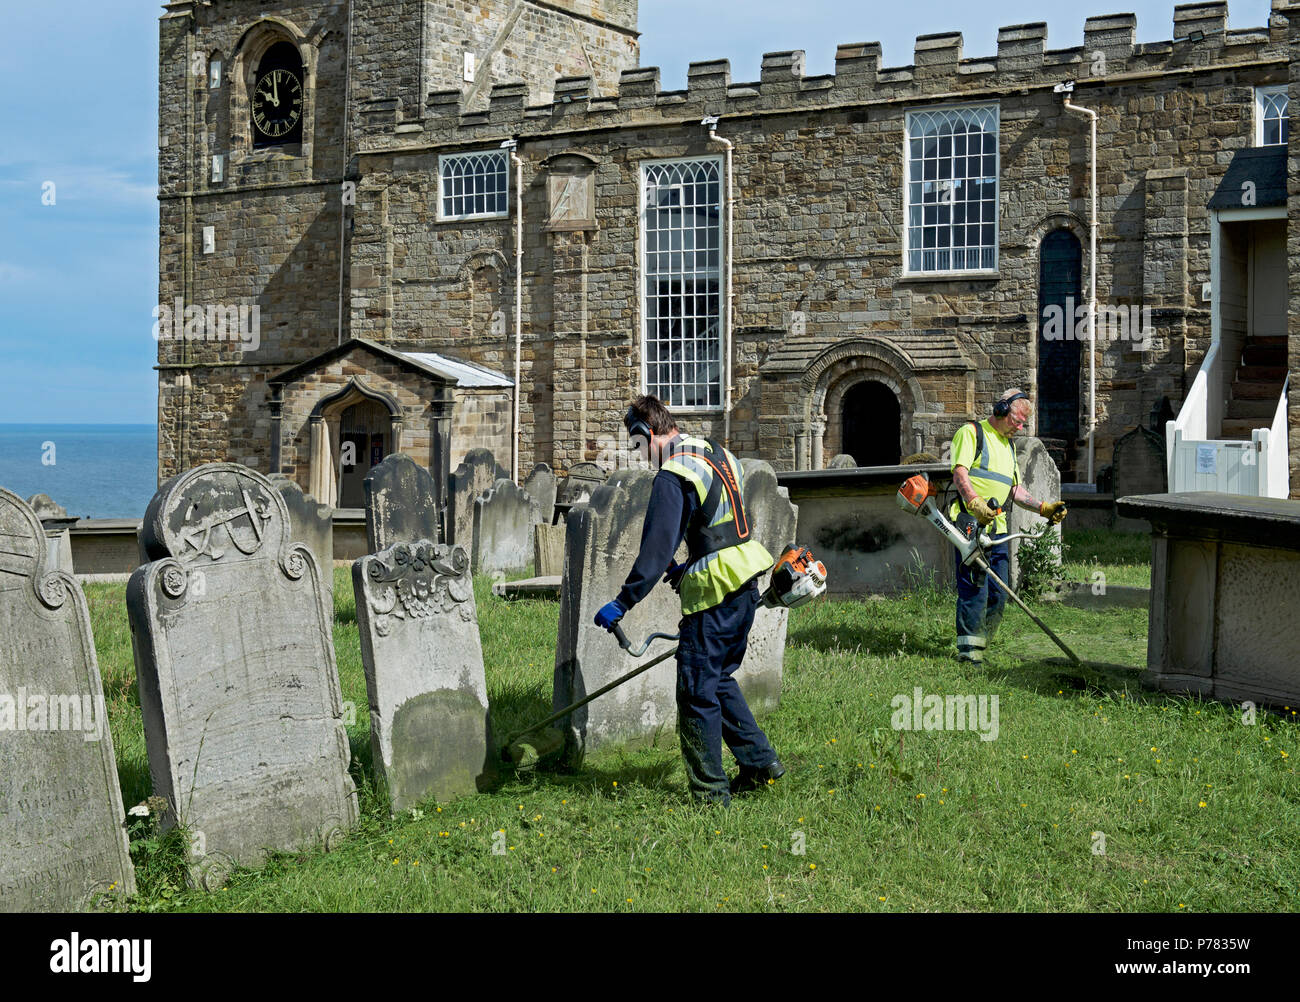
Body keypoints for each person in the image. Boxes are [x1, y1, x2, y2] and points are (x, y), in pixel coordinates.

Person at [593, 395, 783, 806]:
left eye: (636, 444)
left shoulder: (672, 473)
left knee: (696, 690)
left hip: (713, 594)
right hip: (745, 580)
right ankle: (760, 763)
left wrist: (623, 602)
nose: (638, 455)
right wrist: (690, 564)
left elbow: (656, 549)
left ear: (646, 434)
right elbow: (721, 520)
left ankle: (710, 796)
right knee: (718, 679)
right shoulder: (715, 451)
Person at [948, 389, 1068, 664]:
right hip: (970, 524)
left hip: (998, 529)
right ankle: (969, 654)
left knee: (999, 593)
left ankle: (982, 644)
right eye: (1018, 420)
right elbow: (959, 473)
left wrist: (1043, 507)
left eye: (1024, 422)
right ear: (1001, 410)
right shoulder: (971, 433)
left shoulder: (1009, 445)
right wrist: (975, 503)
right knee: (974, 589)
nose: (1021, 426)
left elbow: (1014, 489)